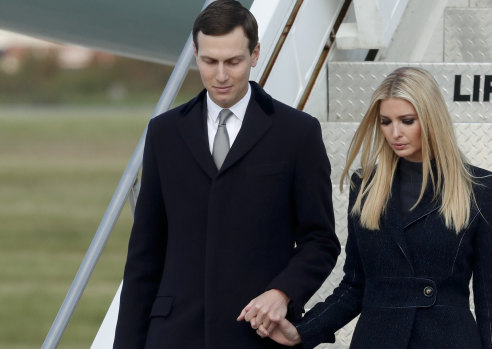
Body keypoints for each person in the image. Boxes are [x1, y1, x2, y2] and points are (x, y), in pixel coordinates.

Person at [113, 1, 340, 348]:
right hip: (173, 337)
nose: (221, 75)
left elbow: (320, 241)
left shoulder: (297, 133)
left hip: (255, 338)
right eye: (209, 61)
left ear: (255, 54)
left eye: (233, 61)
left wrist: (283, 292)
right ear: (195, 53)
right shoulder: (164, 133)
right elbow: (145, 255)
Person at [252, 67, 492, 348]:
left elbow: (490, 298)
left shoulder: (479, 188)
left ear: (432, 119)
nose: (395, 133)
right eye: (386, 122)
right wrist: (303, 331)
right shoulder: (365, 186)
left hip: (448, 339)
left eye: (407, 121)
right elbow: (354, 286)